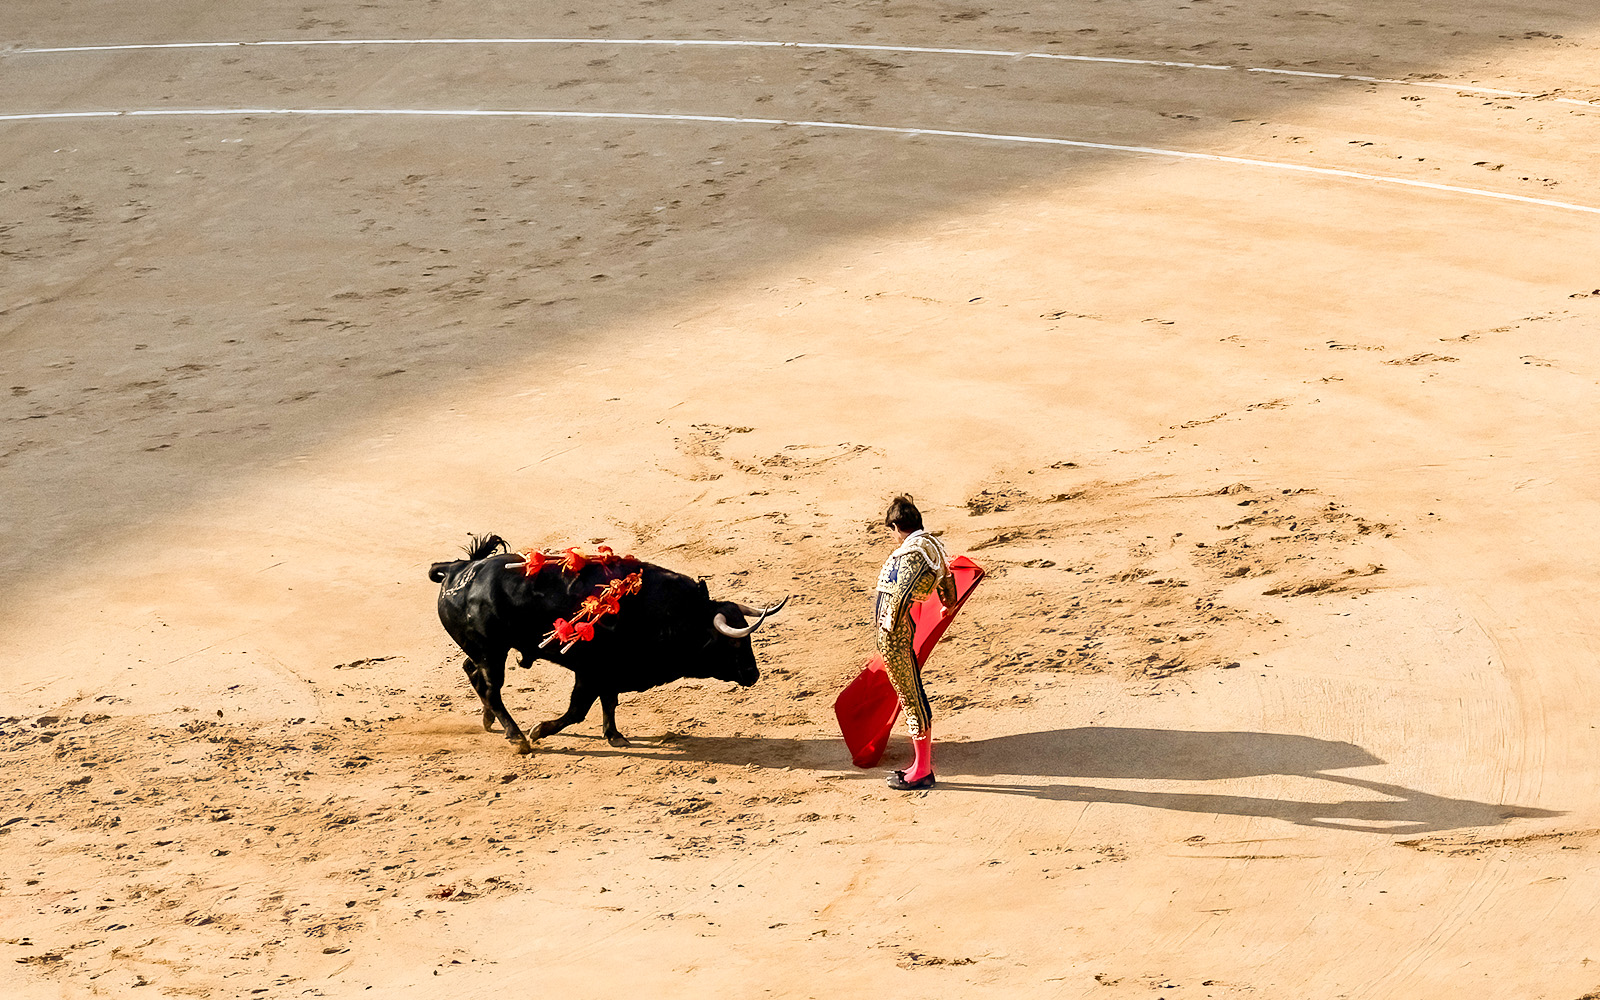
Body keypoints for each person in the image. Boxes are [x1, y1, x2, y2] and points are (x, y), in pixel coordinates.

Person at [875, 495, 957, 791]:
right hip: (901, 631)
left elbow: (902, 592)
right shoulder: (932, 545)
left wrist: (890, 628)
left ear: (897, 526)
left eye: (892, 531)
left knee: (912, 698)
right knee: (914, 695)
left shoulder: (912, 554)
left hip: (895, 636)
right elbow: (947, 576)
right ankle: (918, 765)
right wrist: (949, 602)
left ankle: (922, 770)